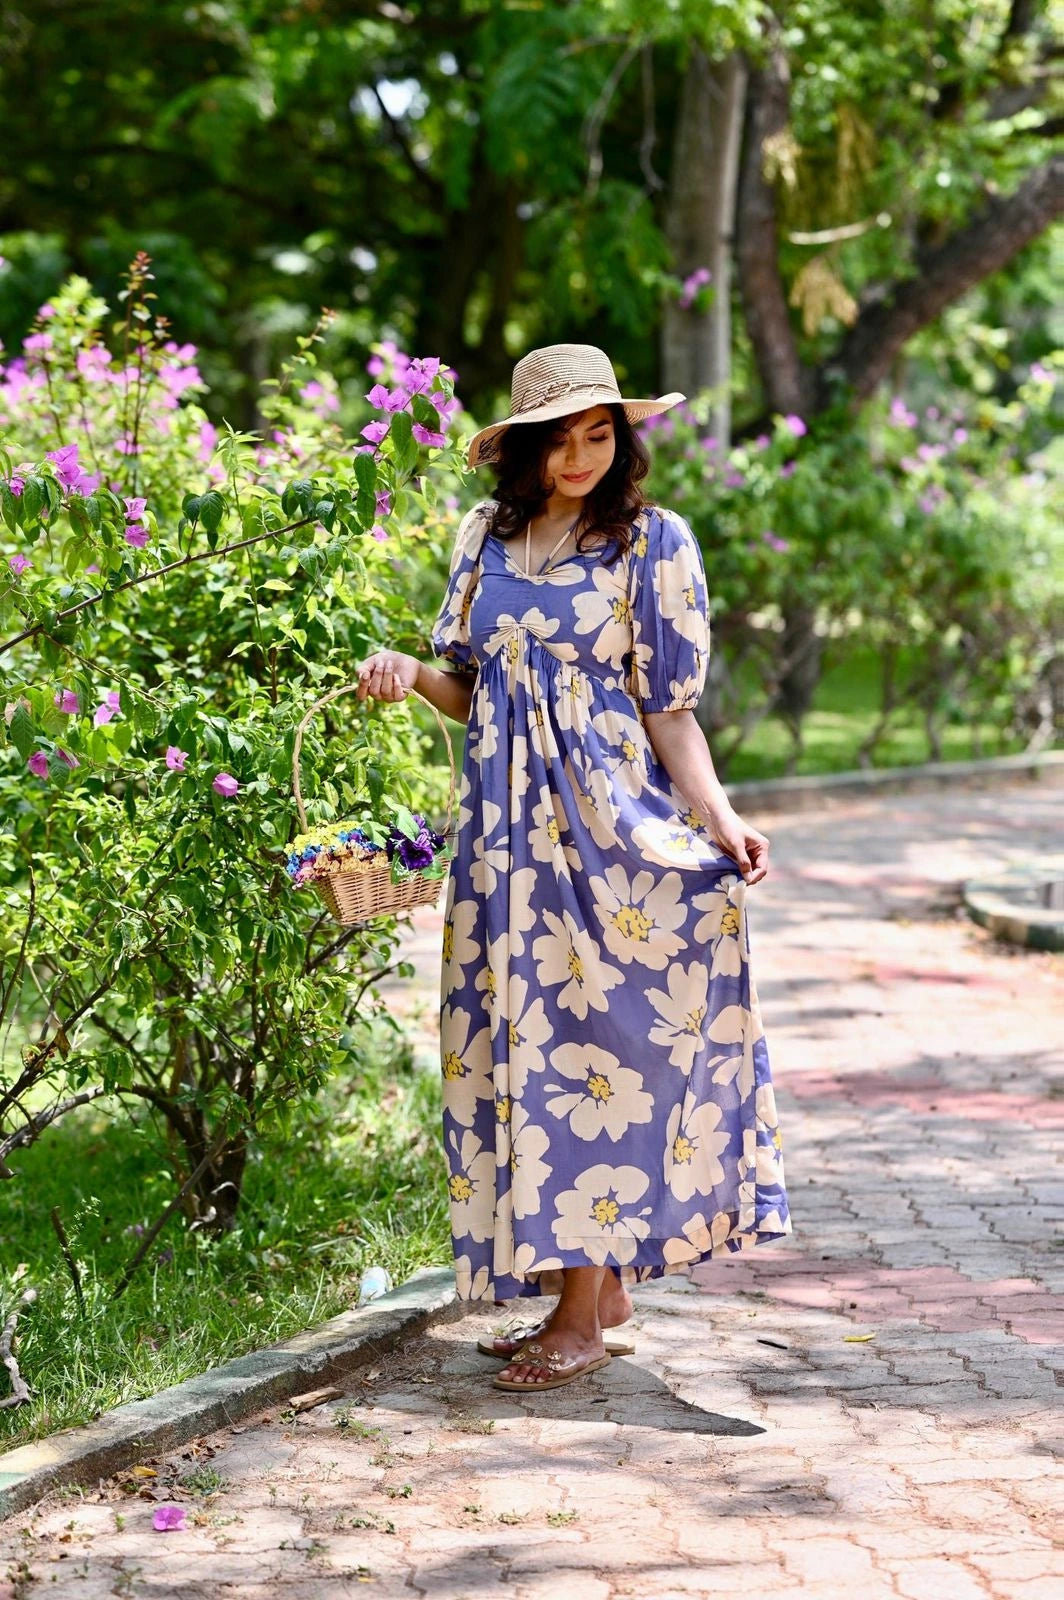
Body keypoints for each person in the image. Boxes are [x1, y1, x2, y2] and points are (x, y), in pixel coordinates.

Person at [357, 343, 790, 1394]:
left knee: (602, 1048)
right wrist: (410, 674)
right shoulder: (486, 539)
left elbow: (668, 708)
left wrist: (720, 815)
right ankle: (593, 1288)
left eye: (599, 434)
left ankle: (578, 1316)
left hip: (609, 831)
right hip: (503, 842)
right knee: (522, 1044)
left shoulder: (650, 542)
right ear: (523, 450)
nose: (583, 456)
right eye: (561, 438)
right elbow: (471, 691)